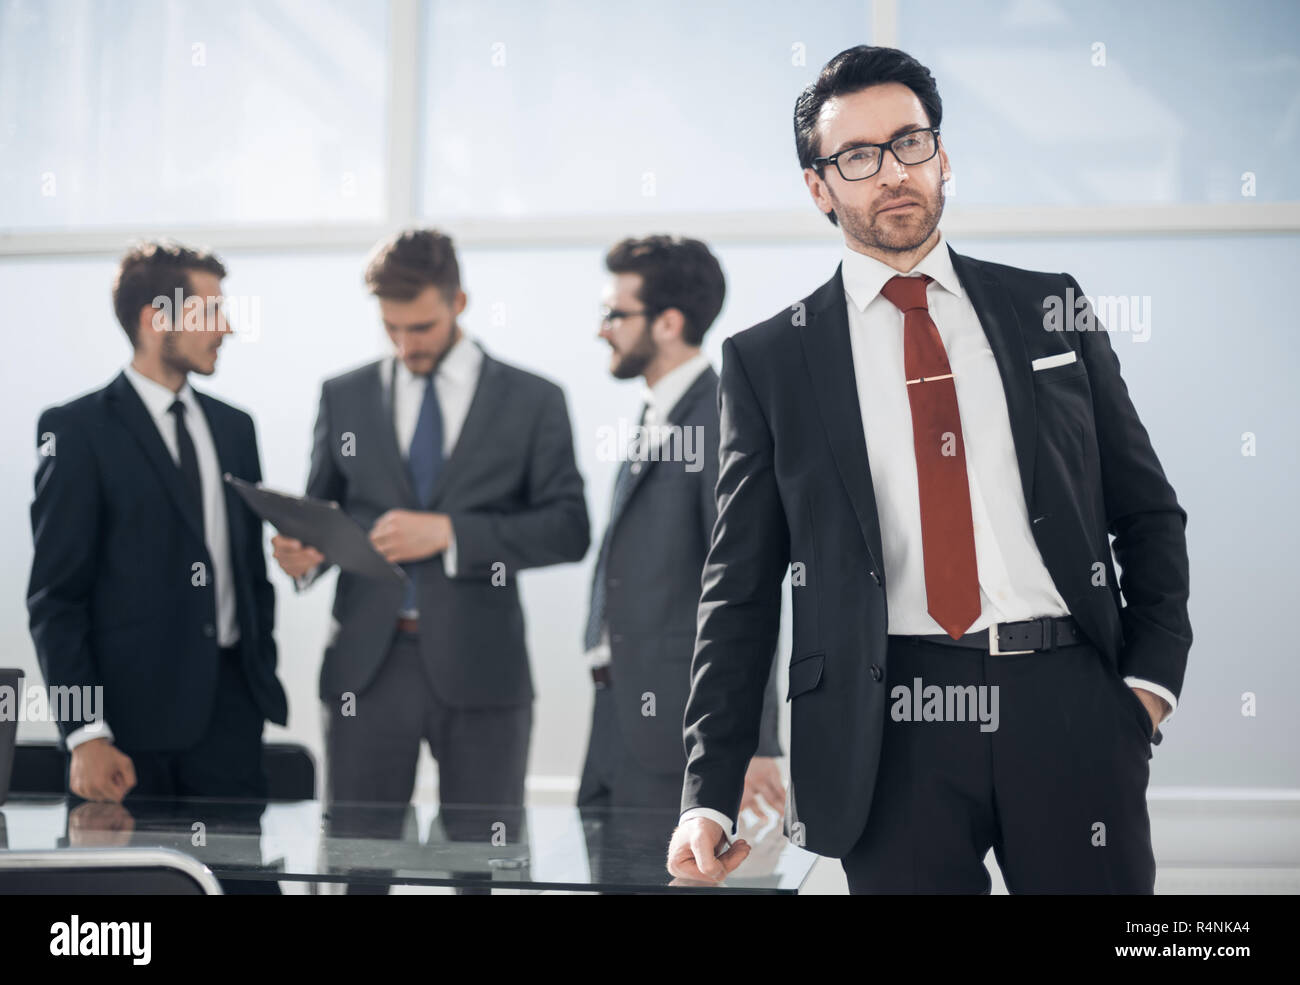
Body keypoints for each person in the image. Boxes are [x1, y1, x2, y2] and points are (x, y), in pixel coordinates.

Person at [667, 45, 1191, 894]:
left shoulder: (1049, 307)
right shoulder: (770, 360)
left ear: (941, 155)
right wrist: (709, 795)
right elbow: (740, 589)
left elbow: (1146, 508)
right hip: (885, 730)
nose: (893, 172)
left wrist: (1148, 681)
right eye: (858, 156)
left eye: (910, 143)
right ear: (819, 188)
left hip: (1070, 702)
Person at [272, 230, 589, 872]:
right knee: (355, 866)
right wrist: (304, 556)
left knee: (483, 866)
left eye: (420, 327)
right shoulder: (343, 395)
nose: (405, 345)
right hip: (366, 668)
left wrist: (452, 534)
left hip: (484, 668)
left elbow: (568, 528)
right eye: (391, 328)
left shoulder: (534, 399)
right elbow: (323, 516)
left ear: (459, 302)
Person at [27, 241, 287, 891]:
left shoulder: (236, 428)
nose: (227, 327)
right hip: (127, 737)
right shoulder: (77, 430)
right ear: (155, 318)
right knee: (134, 911)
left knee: (245, 889)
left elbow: (244, 571)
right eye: (211, 312)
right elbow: (56, 599)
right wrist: (85, 732)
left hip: (231, 720)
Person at [579, 235, 784, 816]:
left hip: (682, 732)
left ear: (668, 323)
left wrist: (755, 741)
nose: (601, 330)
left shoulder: (721, 417)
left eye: (614, 315)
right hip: (617, 717)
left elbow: (748, 582)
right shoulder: (657, 412)